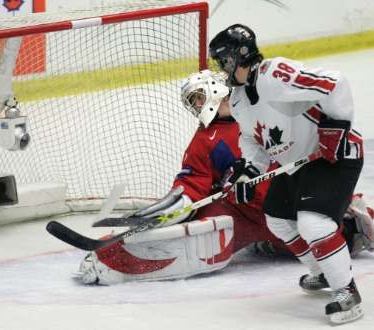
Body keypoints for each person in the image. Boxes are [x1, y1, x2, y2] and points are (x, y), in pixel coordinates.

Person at [78, 70, 374, 288]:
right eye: (192, 102)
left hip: (289, 202)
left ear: (217, 89)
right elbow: (192, 184)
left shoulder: (261, 110)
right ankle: (116, 258)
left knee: (329, 236)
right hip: (241, 212)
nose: (197, 106)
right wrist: (163, 211)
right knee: (200, 231)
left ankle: (353, 222)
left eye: (198, 97)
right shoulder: (206, 139)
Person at [209, 24, 365, 324]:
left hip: (333, 156)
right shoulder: (240, 99)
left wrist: (335, 125)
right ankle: (323, 272)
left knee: (313, 223)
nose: (221, 67)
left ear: (240, 56)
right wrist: (248, 170)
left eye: (224, 60)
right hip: (295, 163)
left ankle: (347, 292)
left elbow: (334, 82)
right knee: (278, 220)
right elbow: (252, 140)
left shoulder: (275, 73)